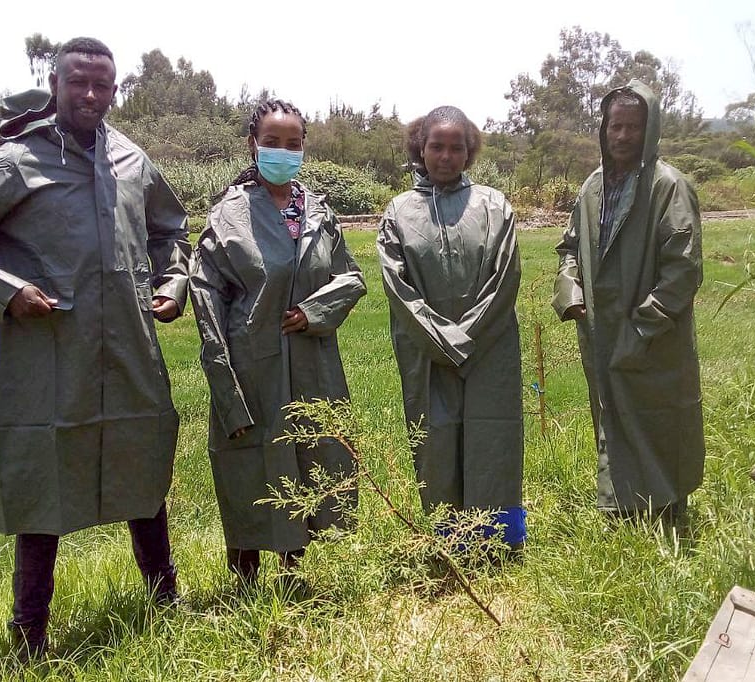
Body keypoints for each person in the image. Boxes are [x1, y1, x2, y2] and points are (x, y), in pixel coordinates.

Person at [0, 37, 191, 660]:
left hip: (128, 349)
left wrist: (173, 283)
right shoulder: (19, 161)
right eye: (79, 83)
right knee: (43, 480)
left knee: (141, 462)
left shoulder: (131, 159)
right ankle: (29, 635)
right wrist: (8, 291)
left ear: (116, 89)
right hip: (51, 353)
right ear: (56, 84)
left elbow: (169, 229)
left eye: (103, 84)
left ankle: (164, 603)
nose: (91, 95)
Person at [190, 99, 366, 586]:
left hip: (311, 360)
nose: (283, 152)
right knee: (250, 460)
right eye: (272, 142)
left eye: (293, 144)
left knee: (312, 455)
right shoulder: (227, 218)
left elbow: (350, 278)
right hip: (252, 363)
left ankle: (297, 574)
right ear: (253, 145)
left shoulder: (318, 214)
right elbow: (207, 300)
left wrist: (314, 311)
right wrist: (224, 376)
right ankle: (244, 578)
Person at [552, 79, 705, 524]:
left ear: (649, 129)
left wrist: (644, 325)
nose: (622, 136)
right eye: (615, 126)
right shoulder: (593, 187)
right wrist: (570, 291)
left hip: (654, 333)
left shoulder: (668, 187)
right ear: (604, 129)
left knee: (657, 415)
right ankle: (621, 503)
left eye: (632, 127)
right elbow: (569, 247)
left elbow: (683, 270)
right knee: (613, 414)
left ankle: (666, 507)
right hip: (601, 329)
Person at [377, 105, 526, 553]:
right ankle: (451, 541)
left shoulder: (494, 205)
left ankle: (498, 540)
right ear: (419, 149)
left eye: (455, 147)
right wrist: (442, 340)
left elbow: (505, 278)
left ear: (469, 151)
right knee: (437, 439)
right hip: (426, 351)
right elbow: (397, 286)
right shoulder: (399, 212)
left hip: (490, 347)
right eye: (435, 146)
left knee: (491, 435)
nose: (444, 156)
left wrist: (466, 338)